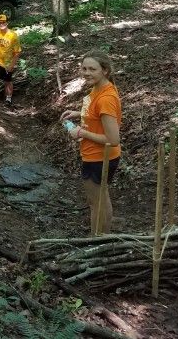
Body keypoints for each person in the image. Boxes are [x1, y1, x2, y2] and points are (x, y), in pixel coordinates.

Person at [60, 51, 122, 234]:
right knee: (100, 199)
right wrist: (79, 114)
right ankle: (103, 237)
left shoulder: (106, 98)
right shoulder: (100, 88)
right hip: (95, 155)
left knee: (96, 204)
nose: (86, 72)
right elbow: (97, 115)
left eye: (92, 69)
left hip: (99, 158)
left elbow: (113, 139)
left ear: (105, 71)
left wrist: (82, 132)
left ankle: (97, 241)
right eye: (84, 68)